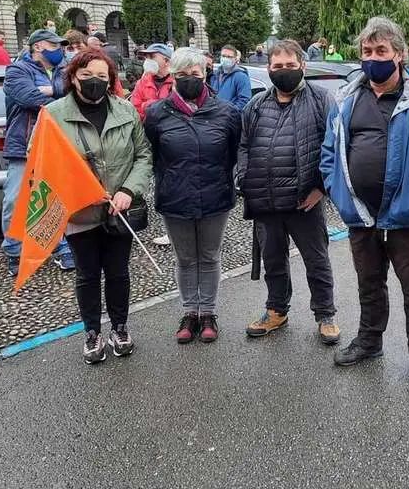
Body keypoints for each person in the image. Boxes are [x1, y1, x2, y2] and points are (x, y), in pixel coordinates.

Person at [321, 16, 409, 390]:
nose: (373, 58)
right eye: (367, 52)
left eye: (381, 51)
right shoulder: (346, 101)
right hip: (362, 218)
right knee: (369, 284)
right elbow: (329, 154)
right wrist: (339, 194)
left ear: (399, 55)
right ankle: (370, 342)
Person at [44, 49, 152, 365]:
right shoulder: (52, 115)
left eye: (102, 77)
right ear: (73, 76)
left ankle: (119, 327)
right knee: (87, 274)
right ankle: (92, 331)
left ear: (111, 79)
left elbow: (143, 155)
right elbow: (43, 165)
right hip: (80, 212)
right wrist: (77, 191)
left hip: (119, 210)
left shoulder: (125, 110)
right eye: (87, 76)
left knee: (118, 272)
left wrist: (129, 191)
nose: (95, 82)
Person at [236, 40, 339, 343]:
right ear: (269, 69)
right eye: (278, 67)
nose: (284, 71)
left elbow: (335, 148)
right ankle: (276, 310)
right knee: (273, 261)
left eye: (290, 66)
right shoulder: (255, 105)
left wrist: (321, 188)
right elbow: (244, 146)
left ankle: (325, 314)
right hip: (265, 202)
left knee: (316, 260)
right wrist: (243, 177)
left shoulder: (321, 100)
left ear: (302, 67)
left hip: (304, 201)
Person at [144, 48, 241, 343]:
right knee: (185, 258)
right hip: (175, 197)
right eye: (182, 74)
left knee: (209, 256)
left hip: (215, 197)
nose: (189, 79)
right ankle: (190, 312)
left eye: (195, 74)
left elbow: (235, 153)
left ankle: (208, 312)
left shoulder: (226, 113)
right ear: (172, 76)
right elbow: (150, 154)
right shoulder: (156, 113)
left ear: (205, 74)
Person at [1, 29, 76, 276]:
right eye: (54, 46)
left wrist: (50, 90)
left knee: (54, 199)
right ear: (38, 47)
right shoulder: (17, 71)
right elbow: (29, 98)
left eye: (61, 46)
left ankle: (60, 246)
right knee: (15, 199)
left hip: (55, 145)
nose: (60, 50)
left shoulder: (63, 71)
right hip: (23, 144)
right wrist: (56, 92)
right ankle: (14, 250)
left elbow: (73, 96)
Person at [130, 43, 174, 121]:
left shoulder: (176, 82)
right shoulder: (142, 82)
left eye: (152, 57)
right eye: (146, 57)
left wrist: (146, 105)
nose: (147, 60)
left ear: (167, 61)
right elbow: (134, 109)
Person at [212, 45, 251, 110]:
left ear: (235, 59)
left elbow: (244, 101)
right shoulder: (216, 74)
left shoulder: (241, 76)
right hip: (215, 115)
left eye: (229, 57)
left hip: (230, 117)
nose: (225, 59)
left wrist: (228, 113)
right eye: (223, 56)